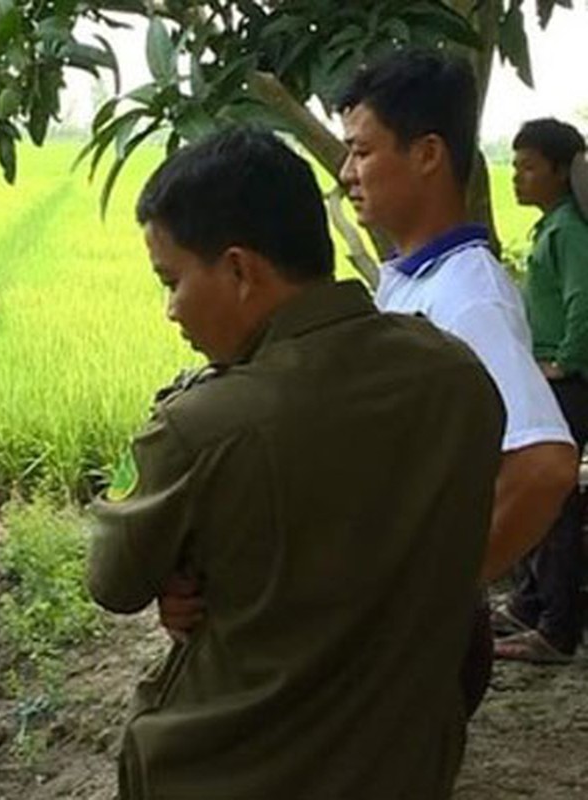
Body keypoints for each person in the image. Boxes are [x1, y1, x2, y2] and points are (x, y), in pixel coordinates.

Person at [88, 127, 505, 799]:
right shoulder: (456, 376)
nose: (170, 310)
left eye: (171, 281)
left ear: (238, 270)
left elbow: (112, 580)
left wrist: (180, 569)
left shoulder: (203, 425)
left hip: (230, 772)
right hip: (404, 769)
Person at [159, 49, 580, 702]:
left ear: (427, 154)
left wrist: (434, 592)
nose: (347, 172)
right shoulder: (413, 279)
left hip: (409, 635)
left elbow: (544, 466)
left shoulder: (468, 297)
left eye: (361, 151)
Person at [494, 118, 588, 663]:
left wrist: (563, 362)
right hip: (555, 373)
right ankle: (531, 604)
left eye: (530, 166)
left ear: (559, 171)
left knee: (549, 497)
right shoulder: (552, 227)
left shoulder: (569, 230)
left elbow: (584, 300)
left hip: (570, 382)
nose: (518, 177)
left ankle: (556, 628)